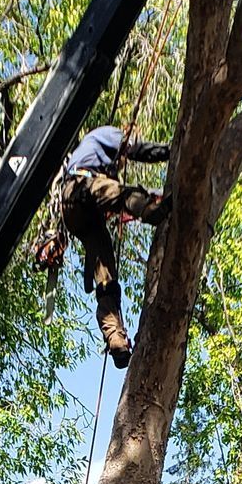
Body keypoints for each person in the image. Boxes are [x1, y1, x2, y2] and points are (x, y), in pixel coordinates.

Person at [58, 126, 171, 368]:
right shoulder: (107, 134)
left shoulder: (91, 157)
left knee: (106, 281)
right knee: (125, 194)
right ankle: (152, 211)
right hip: (82, 185)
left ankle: (115, 339)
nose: (121, 163)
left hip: (75, 212)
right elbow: (137, 151)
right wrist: (170, 152)